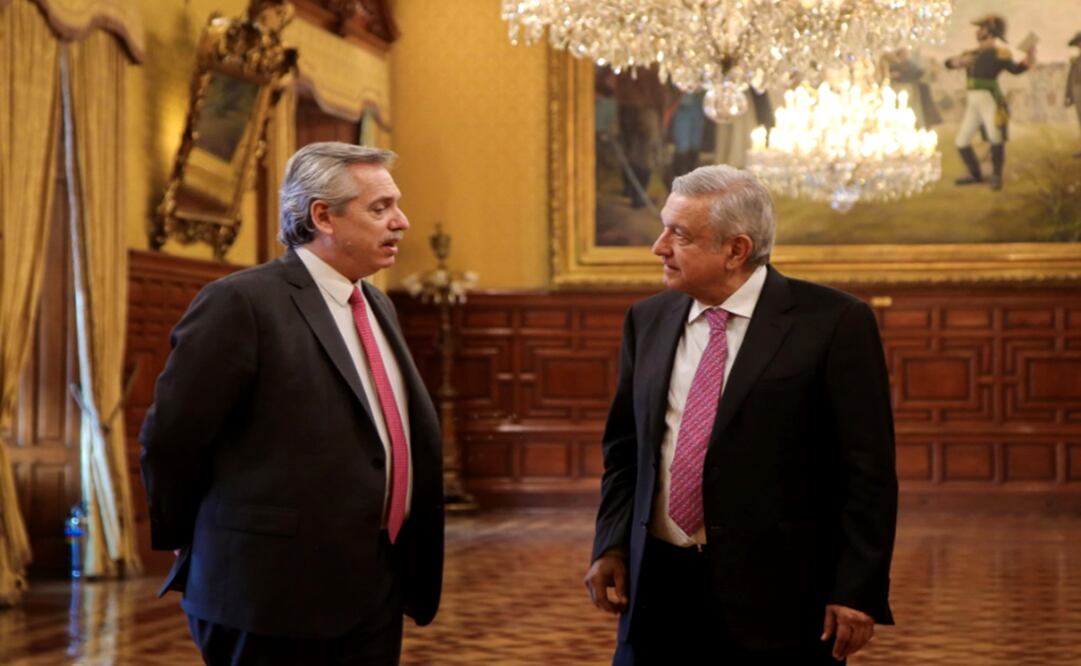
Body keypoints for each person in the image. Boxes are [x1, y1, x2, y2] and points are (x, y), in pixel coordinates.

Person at [140, 142, 444, 665]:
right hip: (267, 593)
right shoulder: (241, 303)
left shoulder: (376, 304)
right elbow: (172, 437)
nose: (402, 222)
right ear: (322, 215)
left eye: (396, 204)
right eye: (380, 208)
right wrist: (196, 538)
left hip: (373, 585)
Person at [584, 165, 897, 665]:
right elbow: (625, 452)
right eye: (664, 227)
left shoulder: (834, 323)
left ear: (737, 249)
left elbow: (868, 474)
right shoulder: (647, 320)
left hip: (781, 601)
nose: (659, 246)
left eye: (680, 234)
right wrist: (611, 544)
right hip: (657, 589)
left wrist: (858, 588)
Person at [944, 14, 1035, 190]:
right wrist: (957, 61)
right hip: (973, 101)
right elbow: (948, 64)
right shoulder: (970, 53)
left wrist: (1029, 59)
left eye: (982, 28)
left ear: (991, 31)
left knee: (995, 137)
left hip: (989, 99)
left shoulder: (1001, 53)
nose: (978, 31)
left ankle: (996, 176)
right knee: (961, 141)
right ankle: (975, 174)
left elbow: (1016, 70)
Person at [1066, 32, 1081, 158]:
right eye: (1078, 44)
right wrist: (1069, 95)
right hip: (1078, 93)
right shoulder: (1076, 60)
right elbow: (1070, 79)